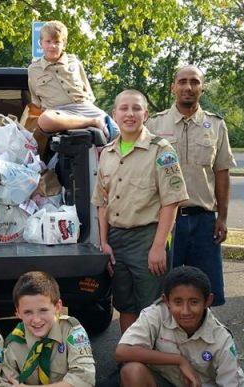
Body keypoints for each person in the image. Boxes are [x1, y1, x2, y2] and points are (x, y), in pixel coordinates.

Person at [91, 89, 189, 335]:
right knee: (125, 305)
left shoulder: (161, 150)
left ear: (145, 114)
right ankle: (129, 365)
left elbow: (171, 202)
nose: (130, 114)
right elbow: (102, 202)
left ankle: (152, 367)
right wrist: (104, 242)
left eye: (136, 108)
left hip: (147, 239)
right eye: (124, 108)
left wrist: (158, 247)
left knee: (152, 307)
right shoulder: (107, 153)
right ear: (114, 115)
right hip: (116, 239)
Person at [146, 65, 237, 307]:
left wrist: (223, 218)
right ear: (173, 87)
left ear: (202, 87)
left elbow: (221, 172)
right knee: (163, 289)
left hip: (203, 220)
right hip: (165, 221)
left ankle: (204, 337)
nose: (189, 87)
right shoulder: (154, 125)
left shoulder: (216, 125)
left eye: (195, 82)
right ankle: (164, 339)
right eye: (183, 81)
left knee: (206, 289)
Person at [115, 266, 244, 387]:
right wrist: (179, 360)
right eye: (178, 302)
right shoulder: (156, 314)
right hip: (163, 380)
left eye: (194, 302)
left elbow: (230, 383)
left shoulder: (221, 338)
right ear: (166, 301)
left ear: (207, 301)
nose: (185, 311)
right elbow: (122, 351)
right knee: (132, 371)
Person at [0, 271, 95, 387]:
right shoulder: (14, 342)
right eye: (28, 312)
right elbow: (3, 382)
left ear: (57, 307)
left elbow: (84, 379)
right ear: (18, 312)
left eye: (43, 310)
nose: (36, 320)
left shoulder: (72, 331)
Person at [28, 20, 116, 137]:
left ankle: (96, 123)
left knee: (117, 132)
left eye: (57, 42)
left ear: (64, 44)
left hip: (84, 107)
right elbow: (37, 101)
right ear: (41, 43)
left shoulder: (74, 62)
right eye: (48, 41)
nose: (52, 46)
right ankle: (93, 122)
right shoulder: (33, 69)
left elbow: (87, 90)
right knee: (44, 120)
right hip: (58, 113)